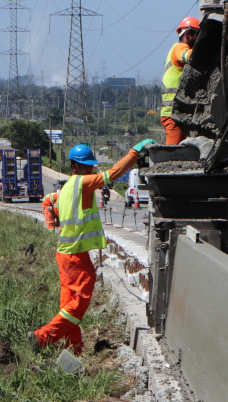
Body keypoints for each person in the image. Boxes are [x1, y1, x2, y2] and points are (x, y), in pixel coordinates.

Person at [29, 139, 156, 355]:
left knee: (68, 306)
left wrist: (53, 222)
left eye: (91, 166)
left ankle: (73, 351)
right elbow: (113, 174)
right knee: (78, 304)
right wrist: (134, 152)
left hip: (66, 255)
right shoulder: (82, 183)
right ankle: (41, 337)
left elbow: (49, 204)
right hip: (75, 258)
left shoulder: (67, 187)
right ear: (75, 167)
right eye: (86, 166)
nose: (90, 170)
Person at [161, 16, 199, 145]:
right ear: (188, 34)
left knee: (181, 153)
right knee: (172, 154)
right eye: (197, 36)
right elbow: (191, 57)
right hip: (173, 113)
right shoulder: (179, 48)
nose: (199, 40)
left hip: (179, 112)